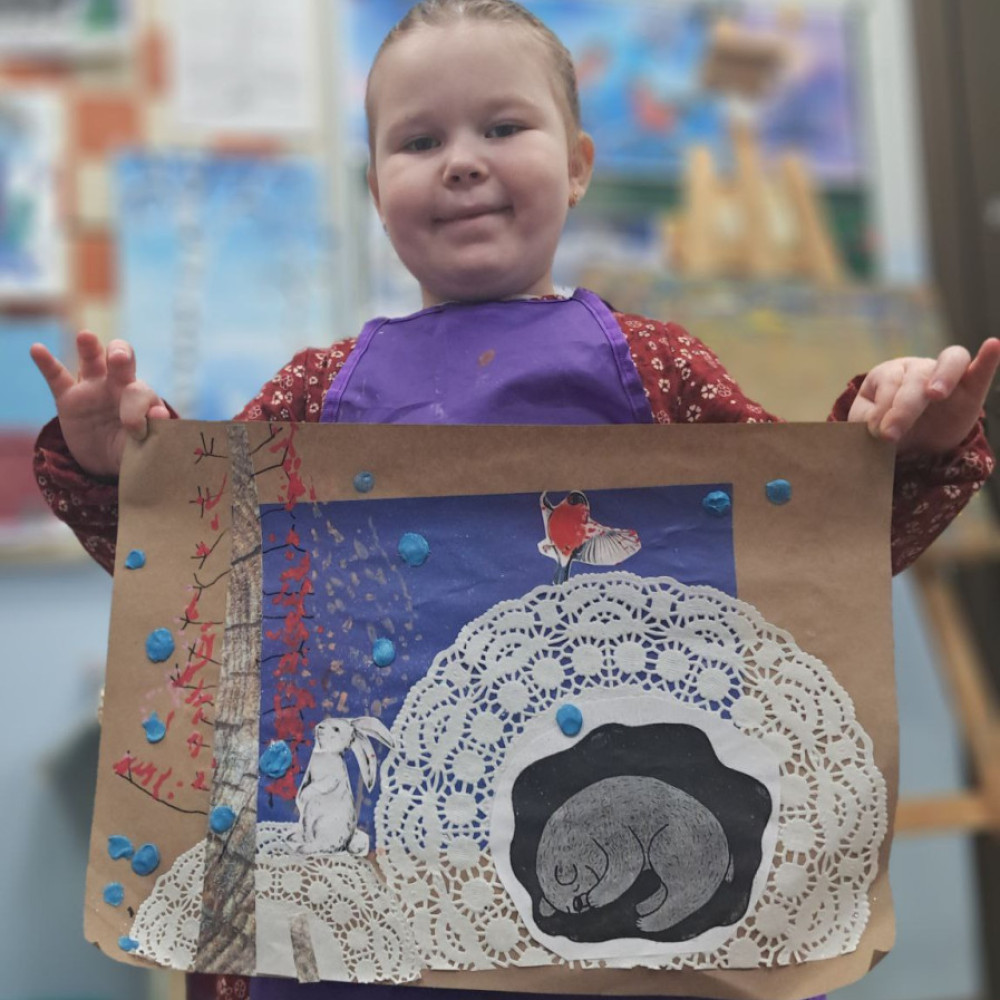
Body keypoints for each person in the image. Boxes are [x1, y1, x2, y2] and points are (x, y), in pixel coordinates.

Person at [30, 2, 999, 999]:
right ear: (375, 189)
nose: (461, 161)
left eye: (502, 127)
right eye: (419, 141)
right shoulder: (312, 395)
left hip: (618, 938)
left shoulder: (659, 370)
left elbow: (803, 565)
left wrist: (904, 445)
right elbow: (196, 589)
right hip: (353, 939)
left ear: (576, 165)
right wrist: (113, 467)